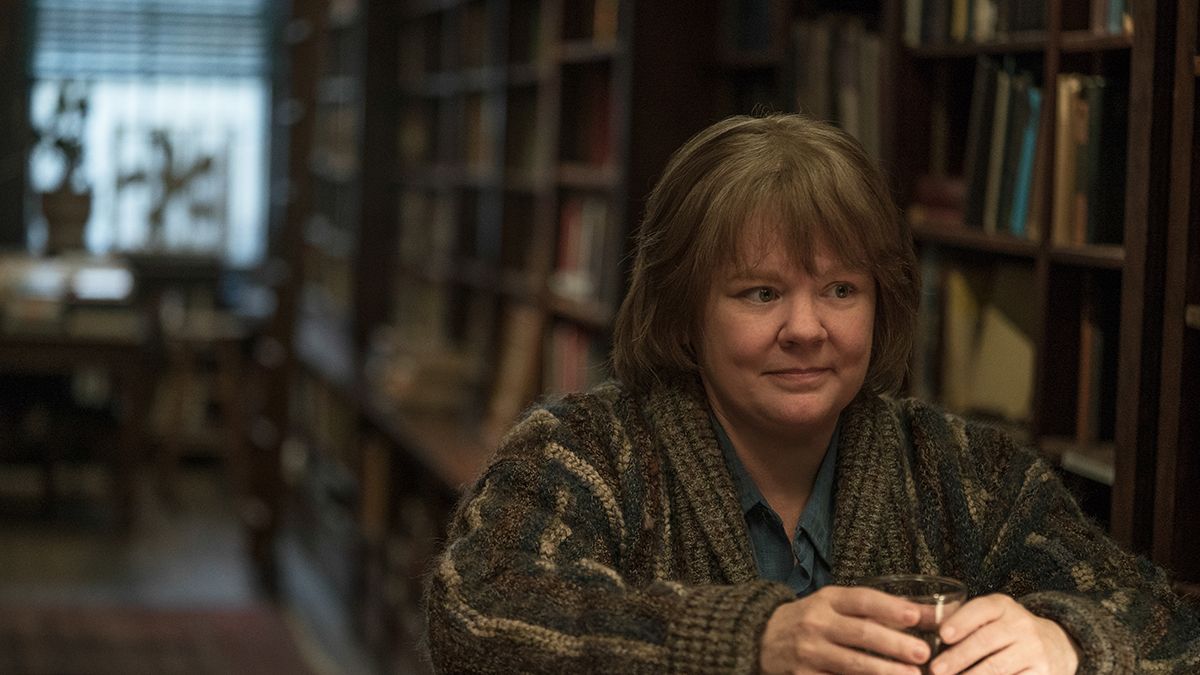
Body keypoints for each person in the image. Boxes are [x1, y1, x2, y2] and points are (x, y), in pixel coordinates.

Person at [424, 114, 1200, 673]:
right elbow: (479, 615)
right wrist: (753, 639)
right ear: (684, 315)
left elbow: (1169, 622)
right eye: (761, 293)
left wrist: (1067, 640)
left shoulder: (964, 471)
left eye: (839, 288)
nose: (806, 328)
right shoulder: (584, 449)